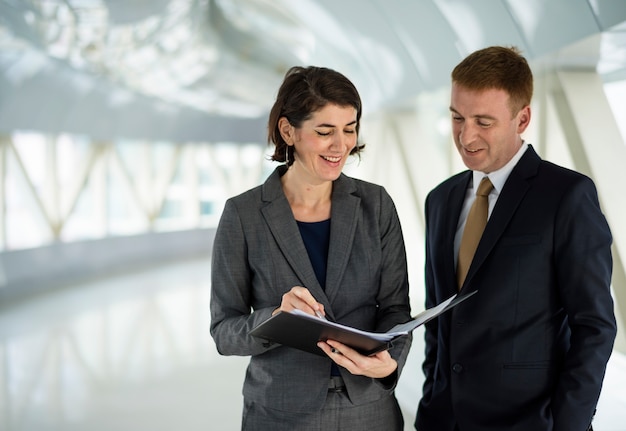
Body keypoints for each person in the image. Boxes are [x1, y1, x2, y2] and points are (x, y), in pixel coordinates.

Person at [415, 46, 617, 431]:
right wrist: (433, 395)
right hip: (444, 420)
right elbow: (437, 318)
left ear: (522, 118)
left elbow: (595, 325)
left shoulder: (566, 195)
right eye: (457, 117)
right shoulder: (439, 200)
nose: (465, 135)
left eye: (483, 121)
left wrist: (567, 424)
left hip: (530, 423)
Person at [210, 65, 412, 430]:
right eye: (324, 131)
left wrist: (390, 361)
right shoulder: (243, 214)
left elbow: (396, 308)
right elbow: (224, 331)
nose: (341, 145)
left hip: (368, 409)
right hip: (281, 413)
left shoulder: (376, 205)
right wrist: (275, 318)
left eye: (349, 129)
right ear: (289, 131)